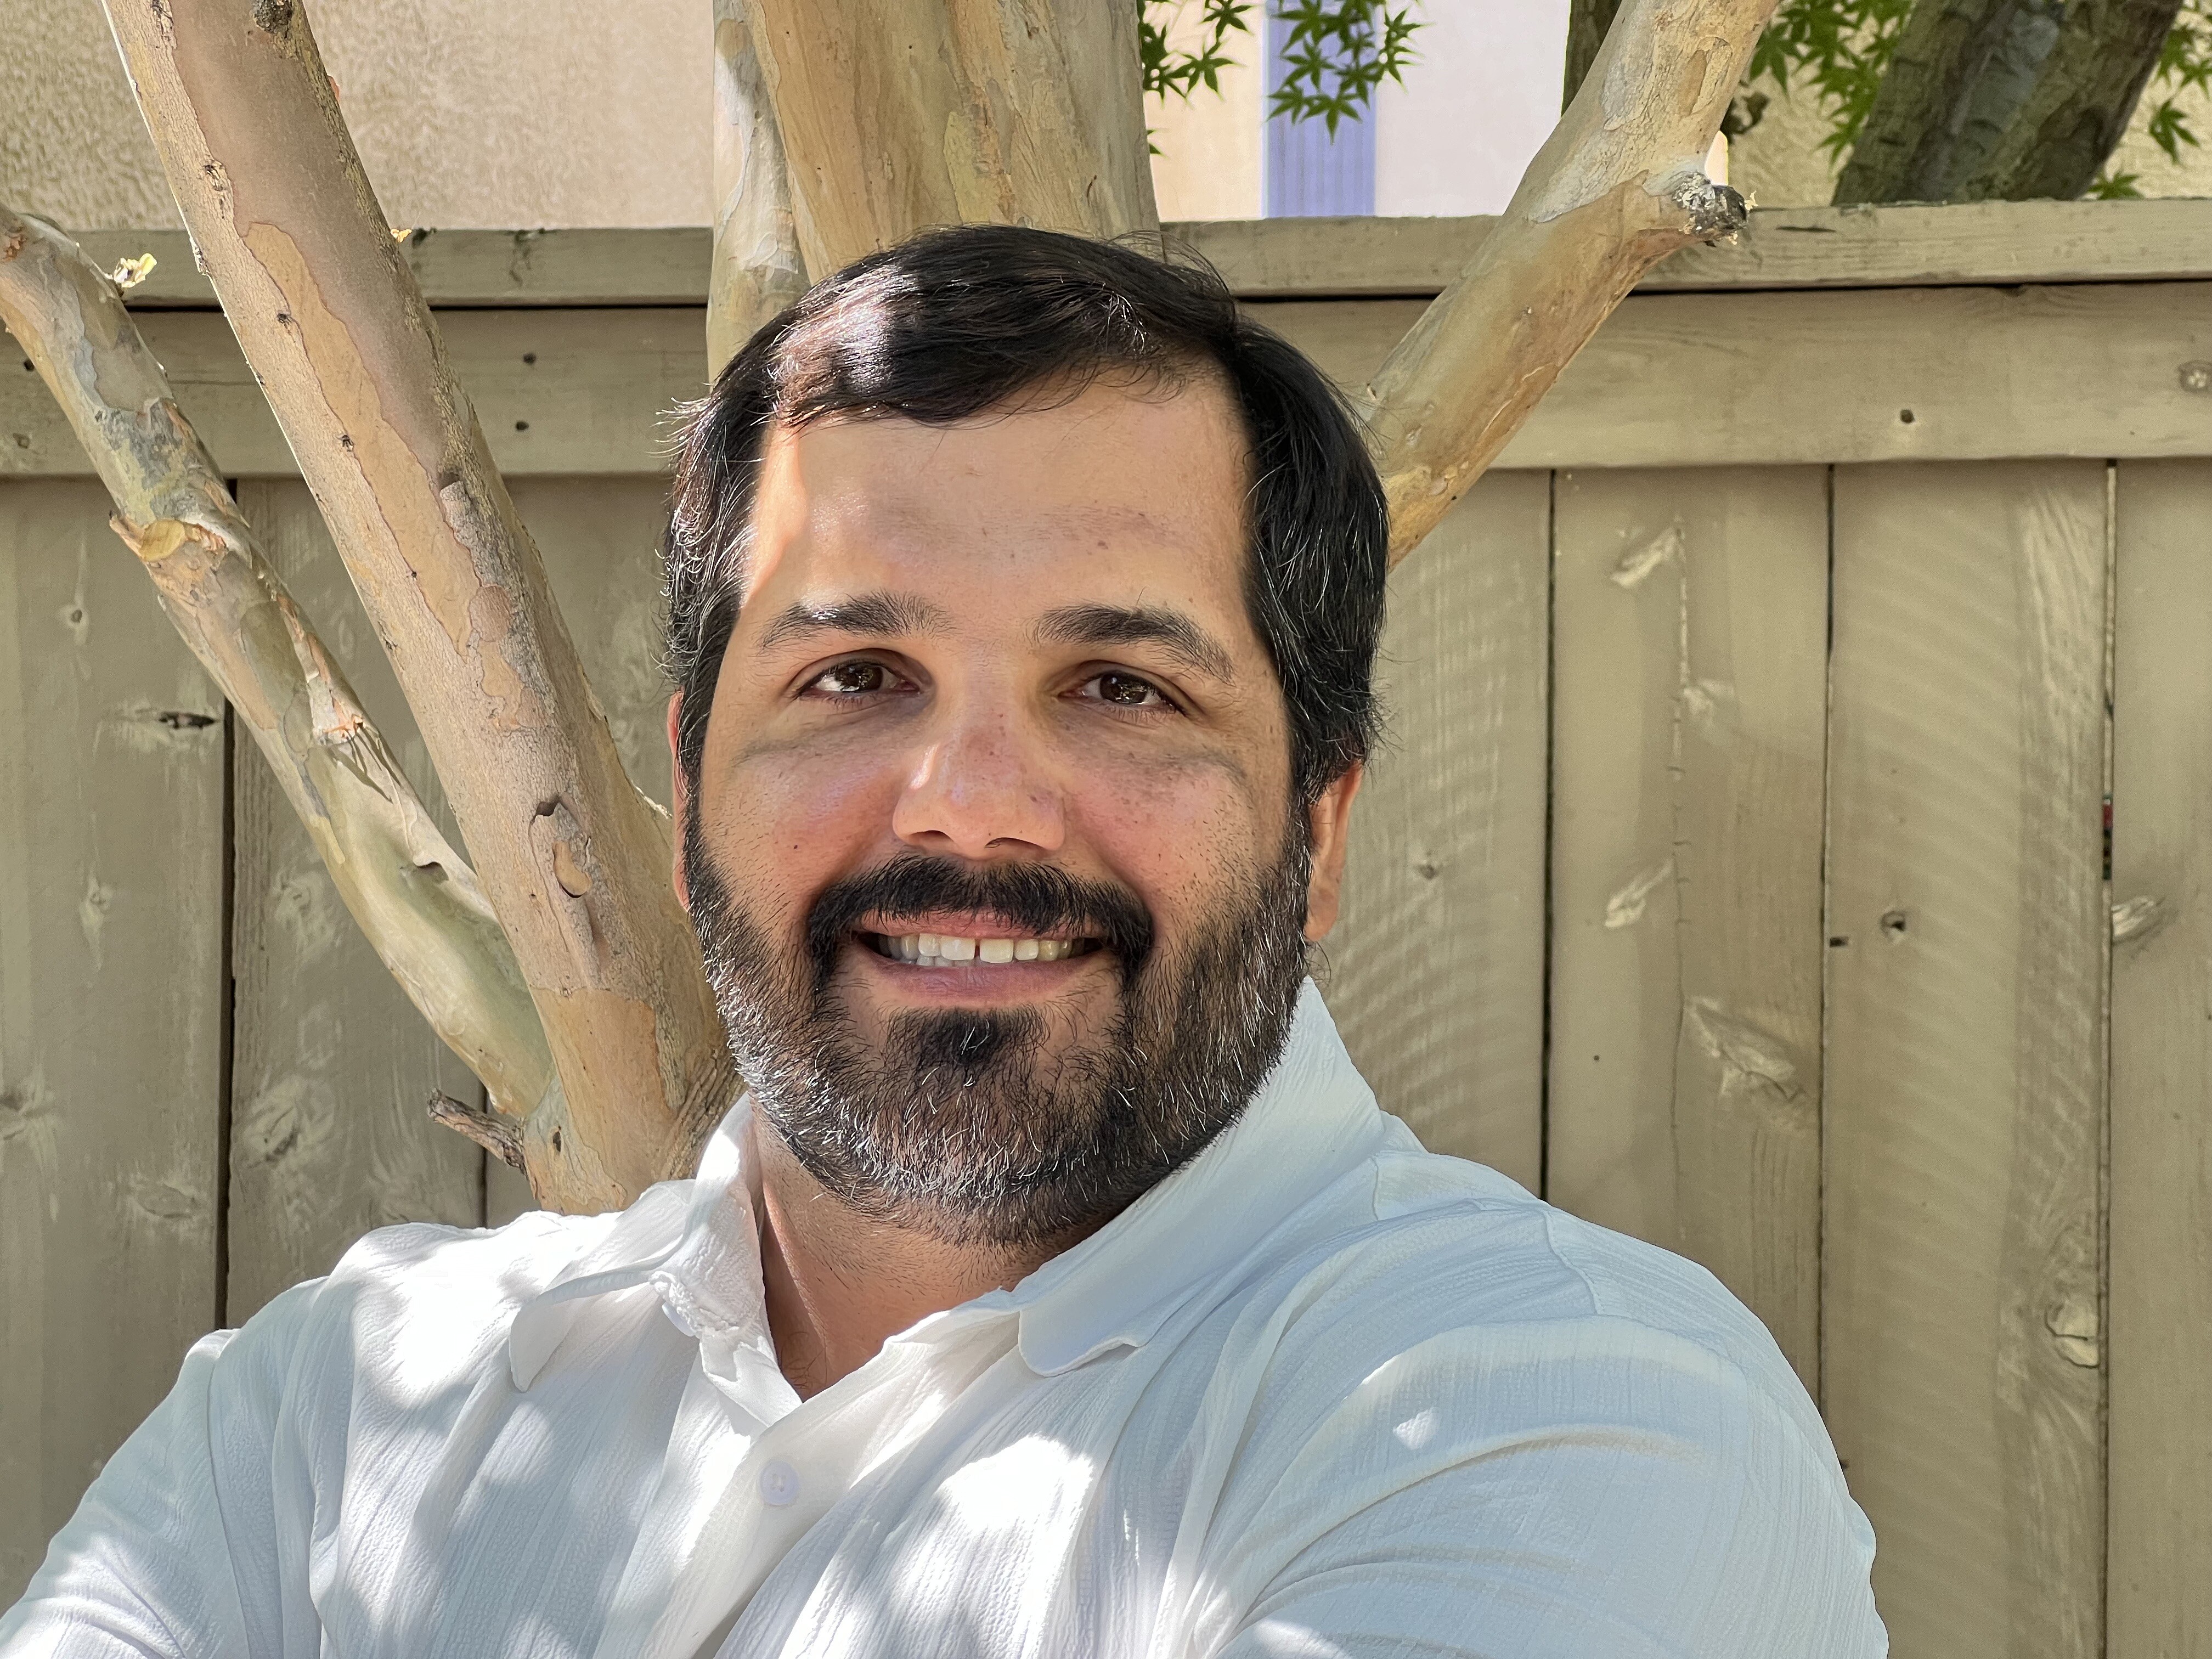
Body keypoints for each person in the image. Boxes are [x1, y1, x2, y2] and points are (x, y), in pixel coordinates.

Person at [1, 226, 1884, 1658]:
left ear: (1318, 829)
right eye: (856, 675)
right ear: (692, 791)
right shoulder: (329, 1413)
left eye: (1123, 685)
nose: (969, 805)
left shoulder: (1559, 1423)